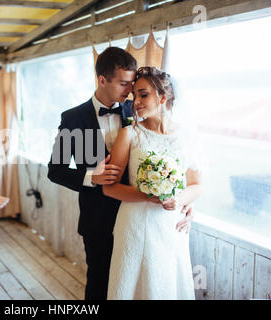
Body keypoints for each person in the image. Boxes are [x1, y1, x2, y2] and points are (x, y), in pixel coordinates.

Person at [47, 47, 194, 300]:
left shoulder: (136, 110)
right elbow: (55, 171)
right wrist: (91, 177)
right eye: (124, 84)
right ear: (102, 80)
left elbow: (171, 157)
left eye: (133, 84)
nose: (130, 91)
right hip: (98, 219)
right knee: (100, 283)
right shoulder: (73, 118)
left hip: (140, 219)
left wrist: (183, 200)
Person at [103, 66, 203, 299]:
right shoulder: (129, 135)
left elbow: (196, 184)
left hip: (171, 226)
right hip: (134, 225)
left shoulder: (187, 136)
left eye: (143, 94)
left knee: (166, 285)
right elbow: (109, 188)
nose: (136, 101)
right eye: (134, 95)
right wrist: (149, 196)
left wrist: (179, 200)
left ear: (163, 97)